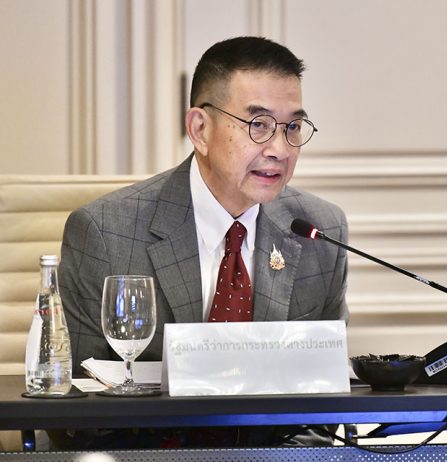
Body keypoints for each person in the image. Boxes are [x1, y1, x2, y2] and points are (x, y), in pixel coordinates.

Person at [56, 36, 349, 449]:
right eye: (259, 125)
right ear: (200, 129)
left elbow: (322, 405)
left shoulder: (320, 231)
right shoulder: (104, 233)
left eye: (293, 128)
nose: (281, 150)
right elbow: (78, 411)